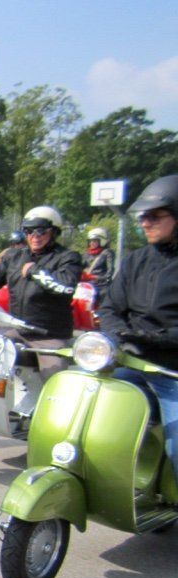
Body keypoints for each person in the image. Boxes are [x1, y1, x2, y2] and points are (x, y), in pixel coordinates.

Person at [97, 175, 178, 480]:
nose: (145, 222)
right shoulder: (135, 261)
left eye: (155, 216)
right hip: (131, 364)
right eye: (144, 216)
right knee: (89, 413)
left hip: (172, 373)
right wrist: (119, 335)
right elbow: (109, 308)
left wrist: (151, 338)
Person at [0, 205, 82, 380]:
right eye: (29, 231)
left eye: (41, 231)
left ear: (54, 232)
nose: (34, 236)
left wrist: (35, 272)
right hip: (18, 332)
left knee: (55, 379)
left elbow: (66, 287)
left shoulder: (67, 257)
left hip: (49, 336)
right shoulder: (15, 257)